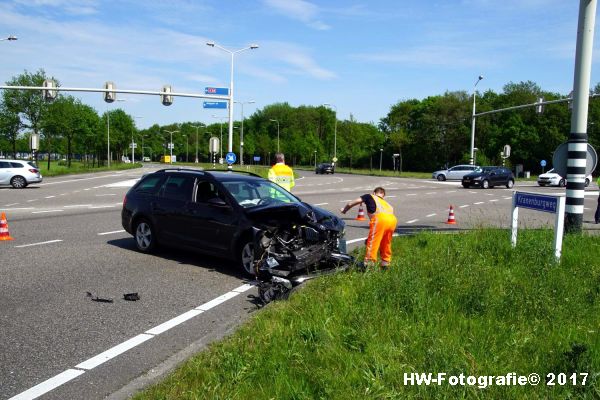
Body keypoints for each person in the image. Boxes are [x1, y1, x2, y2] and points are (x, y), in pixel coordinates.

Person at [340, 187, 398, 268]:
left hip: (380, 219)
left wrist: (344, 210)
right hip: (393, 221)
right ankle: (386, 263)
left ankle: (368, 264)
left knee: (372, 242)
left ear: (374, 193)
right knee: (386, 242)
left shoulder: (369, 196)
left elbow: (352, 203)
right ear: (383, 195)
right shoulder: (388, 204)